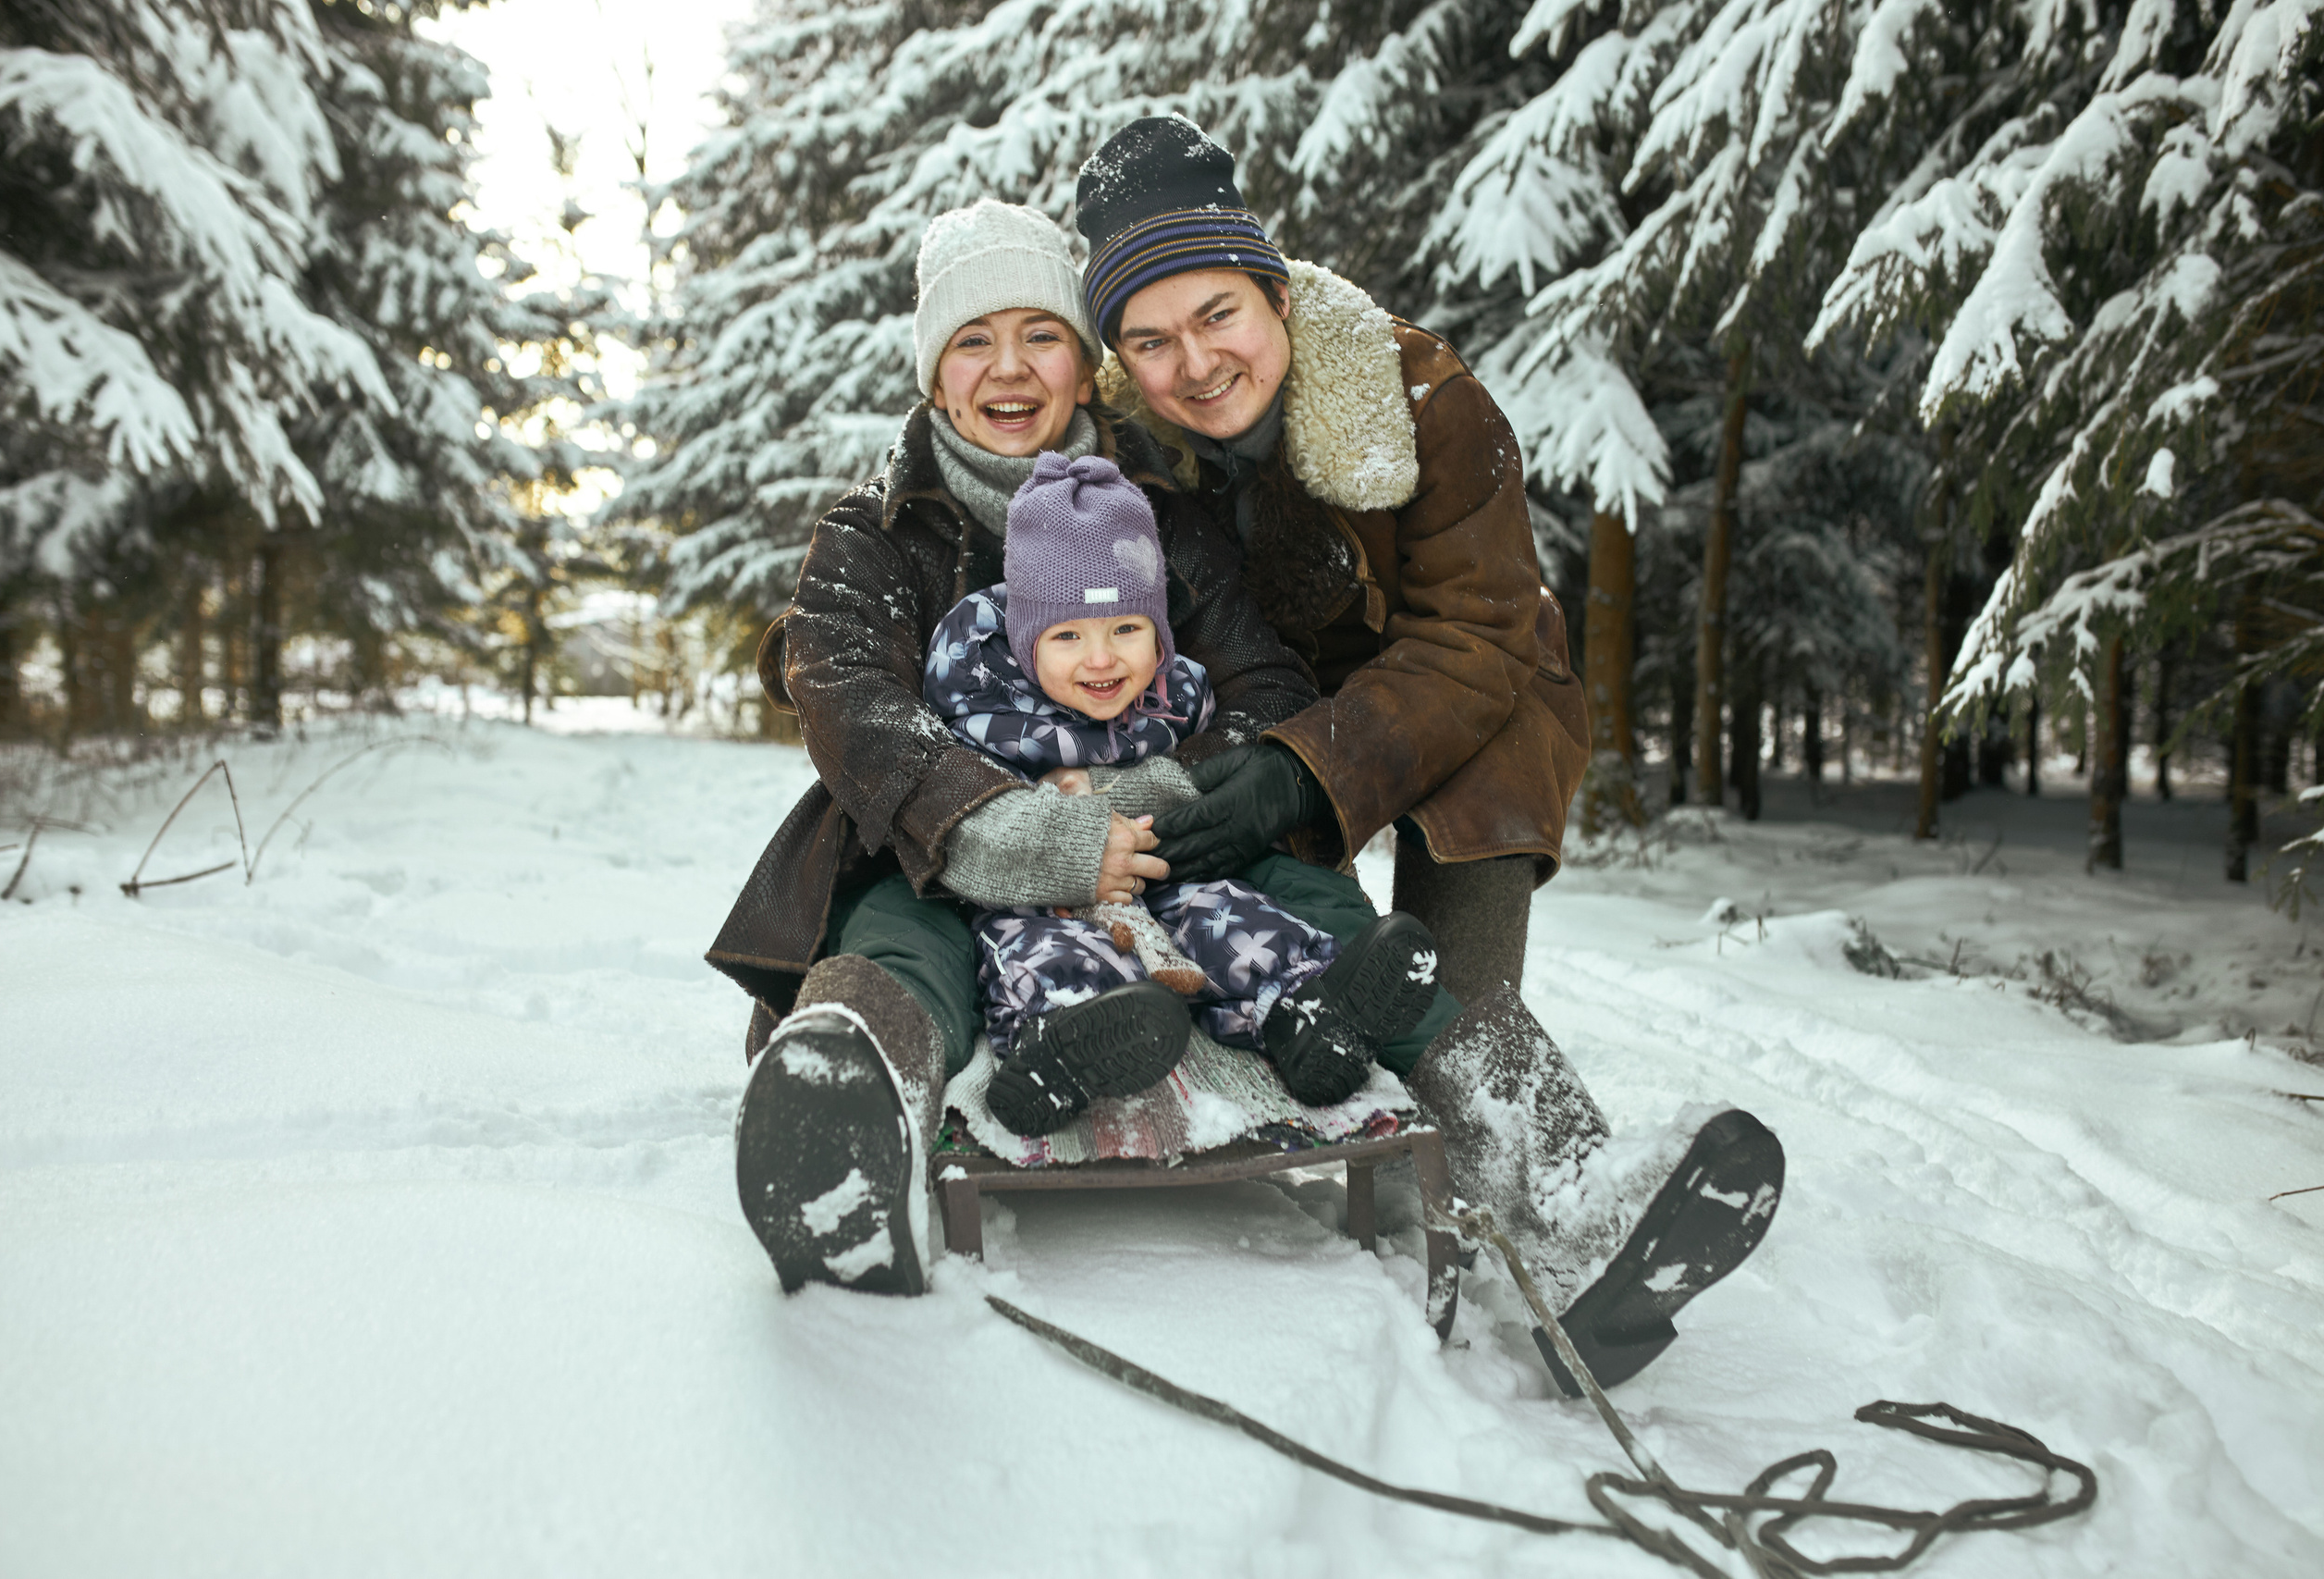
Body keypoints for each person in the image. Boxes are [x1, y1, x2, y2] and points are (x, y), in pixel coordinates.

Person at [1072, 115, 1786, 1389]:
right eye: (1151, 338)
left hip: (1463, 701)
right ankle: (1419, 1158)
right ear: (1119, 356)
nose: (1196, 361)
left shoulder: (1427, 400)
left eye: (1219, 314)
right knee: (1345, 969)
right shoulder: (1123, 447)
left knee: (1457, 975)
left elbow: (1479, 630)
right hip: (1258, 708)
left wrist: (1312, 765)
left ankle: (1579, 1202)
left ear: (1275, 293)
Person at [711, 199, 1387, 1298]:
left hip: (1160, 828)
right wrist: (1007, 828)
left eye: (1039, 336)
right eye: (973, 341)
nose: (1008, 367)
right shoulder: (873, 530)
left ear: (1082, 366)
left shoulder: (1164, 515)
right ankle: (847, 1111)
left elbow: (1263, 686)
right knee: (900, 933)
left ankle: (1495, 1108)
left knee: (1288, 880)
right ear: (936, 378)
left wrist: (1145, 792)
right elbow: (846, 697)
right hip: (943, 842)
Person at [924, 450, 1440, 1137]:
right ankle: (1062, 1046)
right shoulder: (985, 704)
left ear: (1159, 633)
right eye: (1068, 635)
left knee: (1231, 913)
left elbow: (1205, 772)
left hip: (1162, 875)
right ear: (1025, 641)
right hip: (1040, 890)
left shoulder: (1178, 698)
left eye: (1127, 630)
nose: (1102, 658)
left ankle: (1309, 1017)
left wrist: (1140, 792)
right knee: (1042, 950)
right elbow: (964, 803)